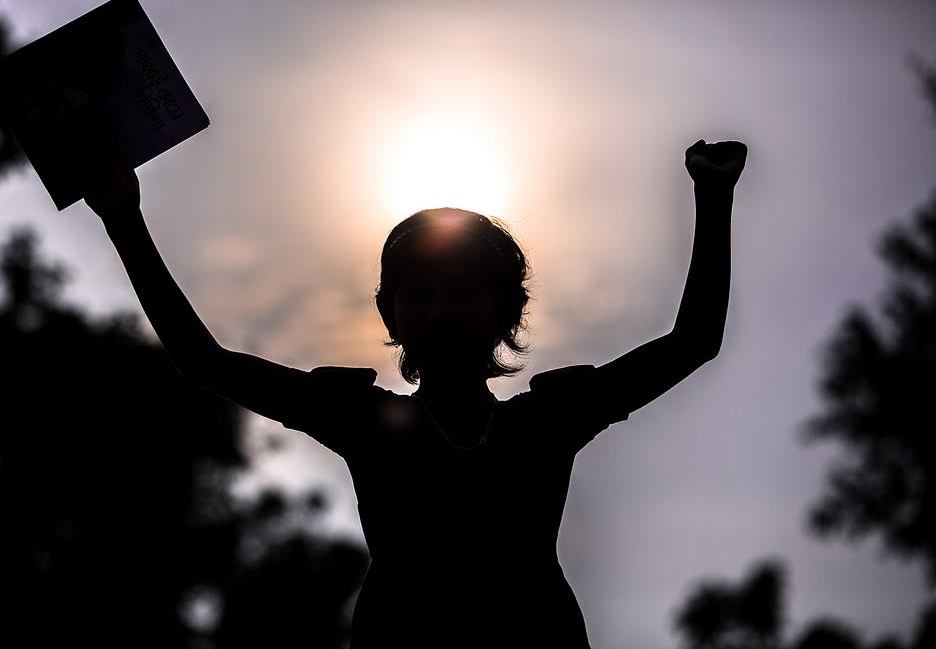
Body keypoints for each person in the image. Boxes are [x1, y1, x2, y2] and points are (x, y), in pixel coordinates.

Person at [82, 138, 748, 648]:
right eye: (418, 295)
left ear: (507, 311)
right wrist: (123, 219)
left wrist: (712, 202)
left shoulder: (549, 420)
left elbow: (692, 342)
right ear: (389, 311)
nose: (438, 312)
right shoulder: (362, 418)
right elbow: (206, 362)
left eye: (460, 293)